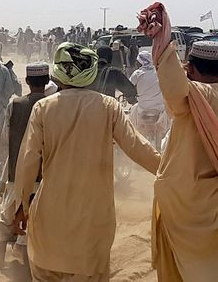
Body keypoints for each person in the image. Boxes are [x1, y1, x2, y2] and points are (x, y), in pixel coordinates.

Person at [13, 43, 161, 281]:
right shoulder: (108, 107)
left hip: (51, 214)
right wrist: (170, 171)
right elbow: (138, 147)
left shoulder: (43, 108)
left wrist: (22, 205)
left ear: (58, 72)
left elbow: (28, 160)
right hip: (94, 219)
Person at [137, 3, 218, 282]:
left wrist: (162, 40)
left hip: (184, 206)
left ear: (190, 69)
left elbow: (175, 87)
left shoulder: (193, 98)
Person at [0, 62, 51, 271]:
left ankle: (0, 255)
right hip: (47, 174)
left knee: (7, 212)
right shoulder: (54, 104)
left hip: (18, 170)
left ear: (27, 81)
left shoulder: (15, 104)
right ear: (47, 81)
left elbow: (6, 137)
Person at [128, 48, 169, 147]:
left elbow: (128, 87)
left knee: (131, 119)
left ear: (140, 62)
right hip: (160, 109)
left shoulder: (137, 74)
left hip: (143, 108)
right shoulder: (160, 72)